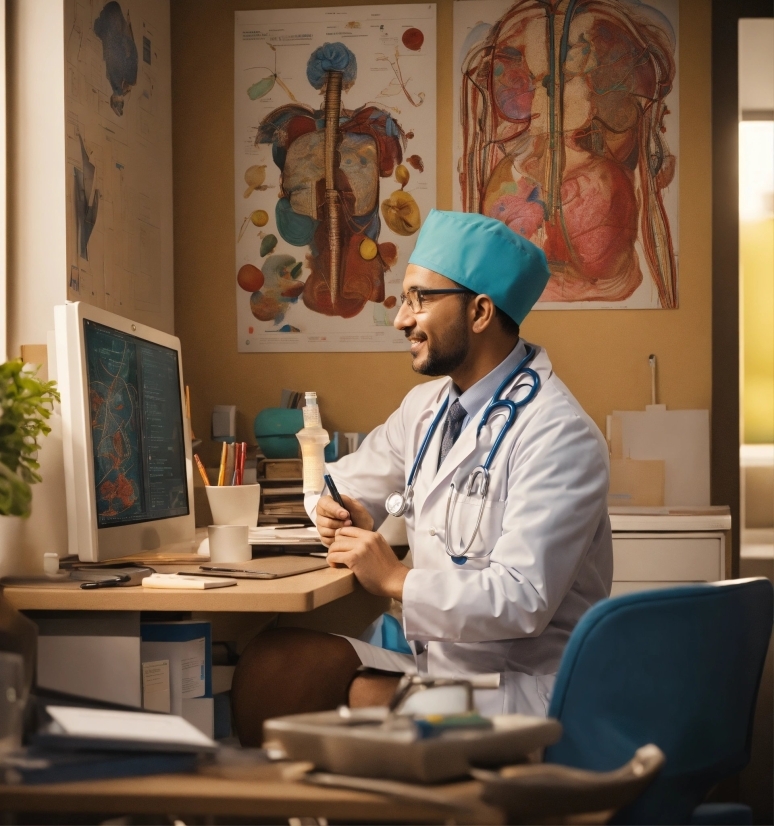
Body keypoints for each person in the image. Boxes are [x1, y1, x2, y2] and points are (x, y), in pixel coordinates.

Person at [232, 210, 612, 746]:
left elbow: (522, 599)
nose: (401, 320)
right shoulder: (428, 408)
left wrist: (395, 579)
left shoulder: (558, 434)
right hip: (442, 664)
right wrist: (335, 507)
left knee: (337, 697)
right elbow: (340, 482)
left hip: (525, 689)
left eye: (419, 299)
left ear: (479, 311)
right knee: (276, 665)